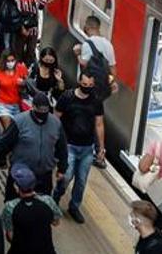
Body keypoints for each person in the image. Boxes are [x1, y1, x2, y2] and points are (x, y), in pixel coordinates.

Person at [52, 71, 105, 223]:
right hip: (69, 146)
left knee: (81, 181)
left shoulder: (96, 101)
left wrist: (101, 148)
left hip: (87, 149)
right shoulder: (67, 97)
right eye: (84, 84)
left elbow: (99, 124)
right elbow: (56, 119)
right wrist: (55, 143)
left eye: (90, 85)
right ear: (79, 82)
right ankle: (56, 196)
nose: (87, 87)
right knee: (66, 177)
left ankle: (74, 206)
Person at [0, 92, 65, 198]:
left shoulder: (56, 123)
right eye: (40, 110)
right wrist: (2, 162)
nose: (43, 113)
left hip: (43, 175)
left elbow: (62, 148)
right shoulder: (19, 121)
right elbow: (4, 143)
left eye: (45, 110)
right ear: (33, 107)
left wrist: (62, 169)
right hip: (20, 174)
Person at [0, 164, 61, 254]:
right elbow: (56, 222)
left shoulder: (10, 207)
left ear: (17, 187)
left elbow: (10, 236)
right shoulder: (48, 201)